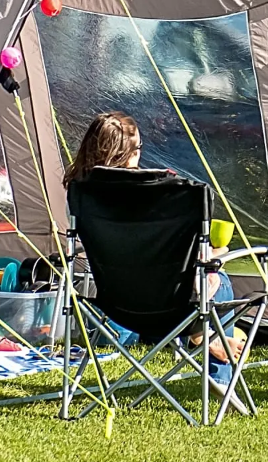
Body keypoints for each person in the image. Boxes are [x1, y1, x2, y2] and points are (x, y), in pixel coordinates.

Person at [65, 112, 243, 398]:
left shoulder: (80, 193)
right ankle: (218, 372)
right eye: (138, 149)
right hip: (171, 304)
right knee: (217, 276)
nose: (140, 154)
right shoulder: (161, 194)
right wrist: (211, 253)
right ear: (127, 153)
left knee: (193, 279)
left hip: (116, 305)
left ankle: (204, 338)